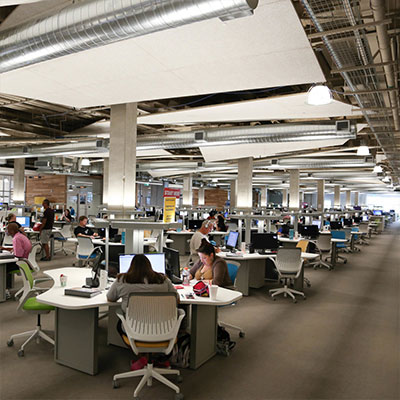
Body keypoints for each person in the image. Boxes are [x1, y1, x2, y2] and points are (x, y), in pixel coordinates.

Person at [107, 254, 178, 370]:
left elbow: (110, 298)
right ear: (150, 266)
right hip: (162, 328)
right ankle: (156, 358)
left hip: (135, 328)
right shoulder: (164, 280)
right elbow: (177, 299)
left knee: (119, 325)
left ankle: (143, 357)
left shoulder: (121, 280)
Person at [1, 222, 33, 293]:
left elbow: (18, 255)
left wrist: (8, 254)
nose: (6, 230)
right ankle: (7, 287)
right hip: (25, 261)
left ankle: (4, 290)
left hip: (21, 263)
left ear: (12, 231)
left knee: (3, 267)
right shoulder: (20, 236)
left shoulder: (16, 238)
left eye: (7, 229)